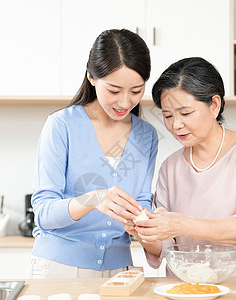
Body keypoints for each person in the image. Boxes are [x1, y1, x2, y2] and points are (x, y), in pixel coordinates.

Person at [129, 57, 236, 276]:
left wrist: (179, 224)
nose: (175, 125)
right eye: (167, 115)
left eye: (185, 113)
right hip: (188, 291)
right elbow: (165, 246)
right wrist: (146, 232)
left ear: (214, 105)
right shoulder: (170, 167)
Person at [29, 29, 158, 279]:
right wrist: (94, 199)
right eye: (114, 90)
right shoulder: (62, 126)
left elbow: (141, 202)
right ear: (91, 77)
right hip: (58, 270)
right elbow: (44, 213)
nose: (124, 102)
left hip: (121, 272)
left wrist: (143, 223)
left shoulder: (146, 135)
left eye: (136, 91)